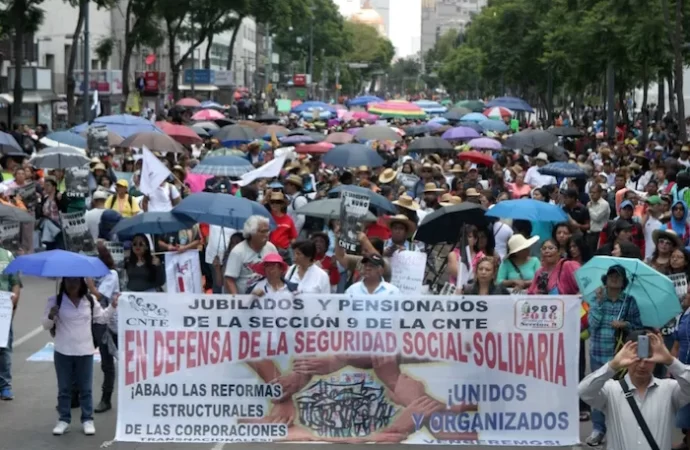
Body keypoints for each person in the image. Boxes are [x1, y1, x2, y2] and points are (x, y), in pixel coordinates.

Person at [579, 332, 690, 450]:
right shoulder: (611, 390)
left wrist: (670, 361)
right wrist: (613, 365)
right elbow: (584, 391)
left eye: (648, 359)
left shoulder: (669, 389)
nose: (642, 365)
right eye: (636, 358)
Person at [42, 277, 119, 436]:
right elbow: (45, 325)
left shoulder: (89, 301)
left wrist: (112, 306)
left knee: (85, 389)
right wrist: (51, 315)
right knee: (64, 388)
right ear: (64, 283)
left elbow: (102, 318)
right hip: (63, 351)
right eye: (69, 281)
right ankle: (64, 420)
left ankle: (87, 419)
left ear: (81, 283)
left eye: (75, 281)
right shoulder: (55, 301)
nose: (72, 284)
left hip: (85, 351)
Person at [585, 264, 643, 446]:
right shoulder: (596, 298)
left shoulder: (629, 301)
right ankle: (598, 429)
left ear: (623, 281)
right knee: (597, 392)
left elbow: (638, 327)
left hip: (621, 356)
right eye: (611, 275)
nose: (614, 278)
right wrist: (600, 304)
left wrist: (624, 324)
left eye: (618, 276)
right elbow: (592, 325)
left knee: (622, 393)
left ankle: (618, 429)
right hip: (598, 353)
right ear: (606, 279)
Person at [85, 243, 120, 414]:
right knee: (80, 356)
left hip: (108, 323)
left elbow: (99, 296)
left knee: (107, 362)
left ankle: (106, 399)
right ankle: (76, 395)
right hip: (87, 321)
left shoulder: (111, 274)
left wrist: (90, 284)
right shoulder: (86, 273)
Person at [224, 215, 277, 294]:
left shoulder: (271, 247)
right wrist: (238, 301)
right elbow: (229, 280)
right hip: (245, 299)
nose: (267, 234)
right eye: (263, 231)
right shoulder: (238, 251)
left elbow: (278, 272)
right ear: (252, 233)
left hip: (267, 298)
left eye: (268, 230)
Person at [0, 247, 21, 401]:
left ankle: (5, 386)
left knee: (4, 349)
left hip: (3, 309)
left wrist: (13, 302)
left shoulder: (7, 256)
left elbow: (15, 283)